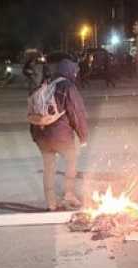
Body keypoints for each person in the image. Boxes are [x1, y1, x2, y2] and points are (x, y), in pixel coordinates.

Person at [29, 58, 89, 211]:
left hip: (41, 134)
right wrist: (83, 137)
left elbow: (35, 109)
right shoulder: (67, 87)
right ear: (69, 72)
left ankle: (51, 203)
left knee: (49, 167)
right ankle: (68, 194)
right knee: (71, 160)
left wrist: (35, 135)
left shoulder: (45, 84)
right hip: (61, 136)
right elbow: (77, 113)